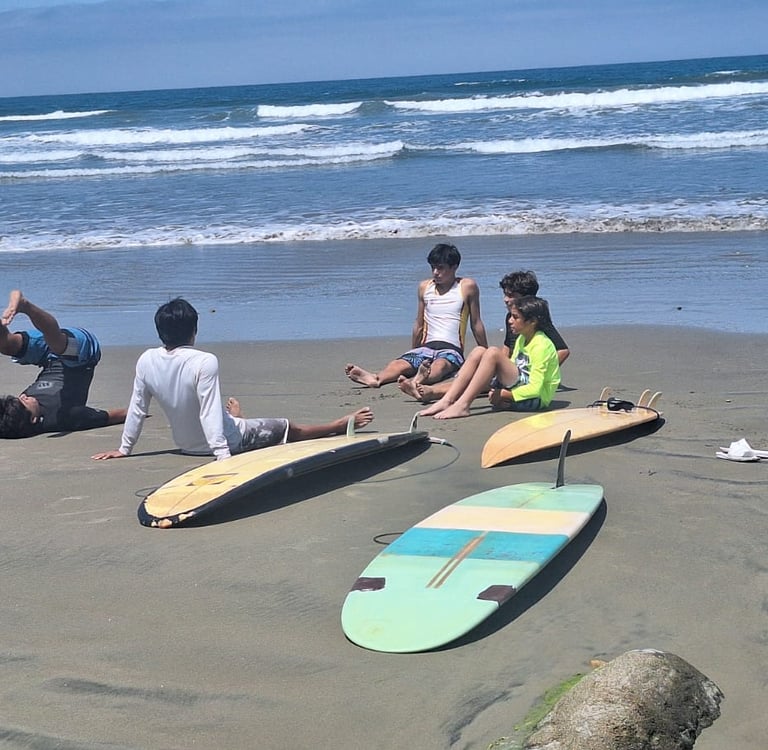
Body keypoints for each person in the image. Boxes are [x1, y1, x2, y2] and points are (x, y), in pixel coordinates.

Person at [91, 298, 374, 462]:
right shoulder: (204, 361)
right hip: (225, 443)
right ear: (194, 329)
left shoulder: (146, 359)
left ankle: (237, 419)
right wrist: (223, 456)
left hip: (187, 444)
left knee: (233, 421)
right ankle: (338, 425)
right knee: (287, 426)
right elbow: (208, 411)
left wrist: (124, 449)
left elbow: (137, 408)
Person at [399, 269, 569, 403]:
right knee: (477, 372)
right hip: (513, 369)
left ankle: (432, 392)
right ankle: (426, 387)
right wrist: (497, 365)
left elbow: (562, 350)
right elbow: (507, 347)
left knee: (479, 382)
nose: (505, 299)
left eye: (511, 295)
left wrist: (543, 370)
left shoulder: (536, 322)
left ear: (527, 298)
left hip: (525, 375)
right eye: (505, 294)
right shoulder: (511, 318)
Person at [344, 243, 488, 389]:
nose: (435, 272)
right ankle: (377, 378)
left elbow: (476, 323)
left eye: (440, 268)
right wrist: (413, 353)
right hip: (425, 347)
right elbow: (419, 324)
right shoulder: (425, 287)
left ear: (454, 267)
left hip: (451, 350)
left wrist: (485, 353)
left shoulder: (466, 287)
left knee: (440, 366)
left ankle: (417, 381)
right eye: (433, 267)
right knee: (398, 364)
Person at [0, 290, 126, 438]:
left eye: (19, 398)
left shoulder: (12, 416)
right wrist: (141, 412)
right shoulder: (67, 418)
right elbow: (116, 415)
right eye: (24, 402)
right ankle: (26, 306)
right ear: (33, 419)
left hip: (46, 357)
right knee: (58, 345)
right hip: (81, 354)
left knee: (7, 346)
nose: (23, 397)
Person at [418, 296, 561, 420]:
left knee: (492, 353)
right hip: (518, 389)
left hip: (534, 400)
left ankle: (463, 405)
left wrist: (506, 394)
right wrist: (498, 387)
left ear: (532, 321)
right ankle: (447, 400)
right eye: (511, 316)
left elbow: (536, 388)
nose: (510, 321)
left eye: (515, 317)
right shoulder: (522, 338)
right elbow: (514, 367)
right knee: (479, 351)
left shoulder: (541, 345)